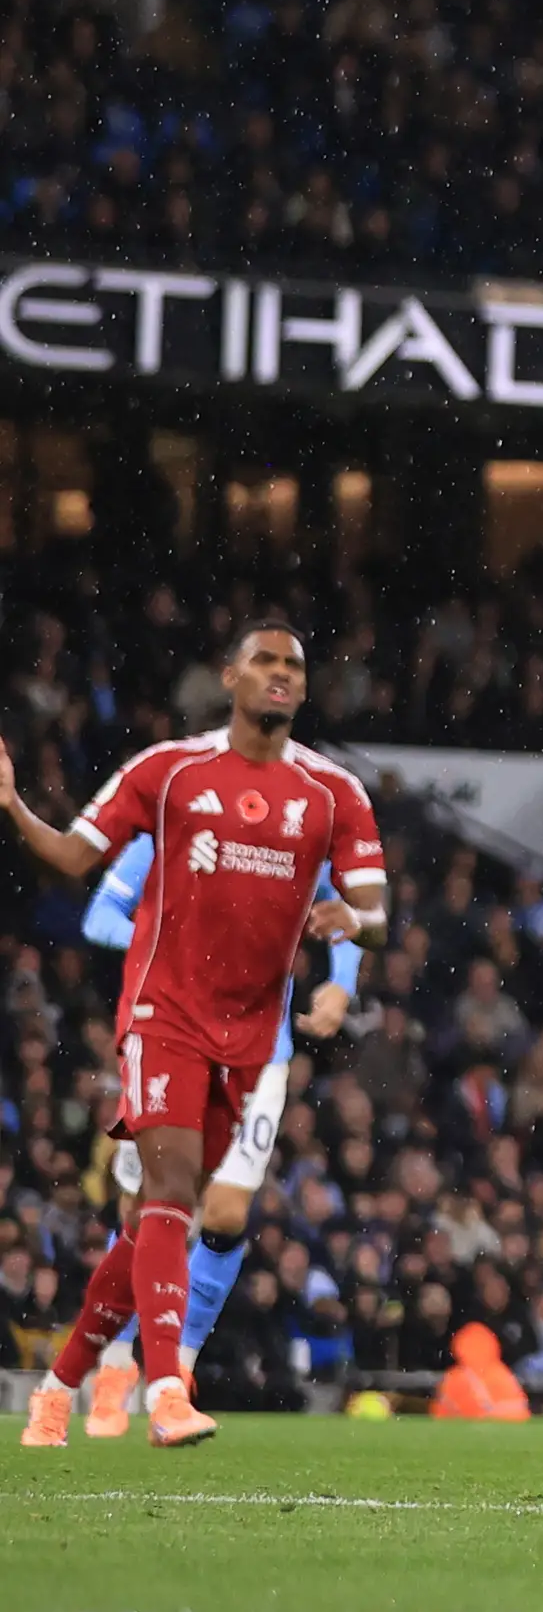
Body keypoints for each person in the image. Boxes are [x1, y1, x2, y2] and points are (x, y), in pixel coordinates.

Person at [7, 621, 390, 1450]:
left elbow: (379, 912)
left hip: (255, 1037)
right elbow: (78, 860)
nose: (280, 674)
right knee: (179, 1190)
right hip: (164, 1013)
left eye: (294, 664)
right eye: (265, 661)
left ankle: (58, 1385)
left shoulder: (333, 794)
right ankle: (165, 1384)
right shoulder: (171, 771)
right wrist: (11, 805)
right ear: (230, 678)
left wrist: (352, 923)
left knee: (161, 1216)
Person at [64, 804, 366, 1439]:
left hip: (261, 1057)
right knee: (144, 1212)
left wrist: (340, 984)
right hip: (171, 1043)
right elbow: (99, 918)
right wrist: (169, 942)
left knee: (225, 1216)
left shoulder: (290, 842)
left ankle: (177, 1374)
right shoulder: (170, 833)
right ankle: (116, 1363)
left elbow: (346, 911)